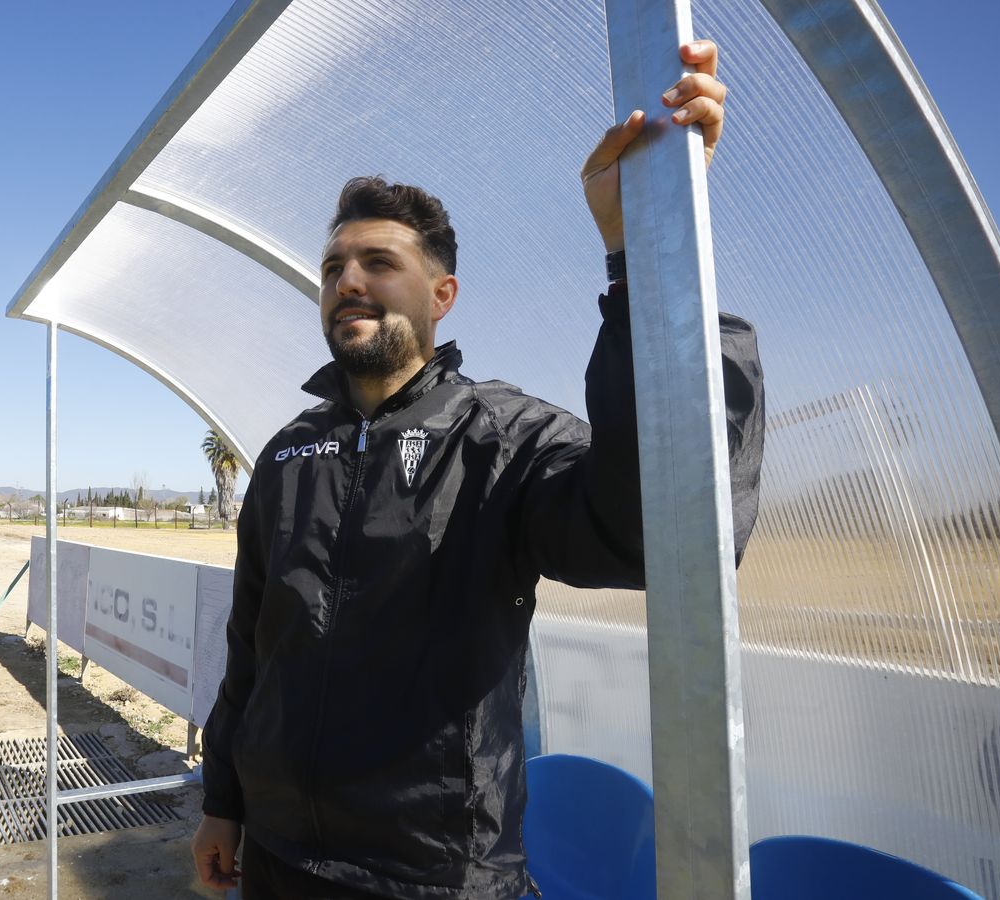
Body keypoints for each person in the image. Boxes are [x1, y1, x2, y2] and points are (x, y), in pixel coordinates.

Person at [190, 40, 764, 900]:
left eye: (379, 264)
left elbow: (660, 528)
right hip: (277, 862)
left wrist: (651, 248)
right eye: (333, 269)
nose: (348, 282)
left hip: (433, 877)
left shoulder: (500, 436)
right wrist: (224, 801)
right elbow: (250, 649)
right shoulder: (286, 453)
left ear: (441, 294)